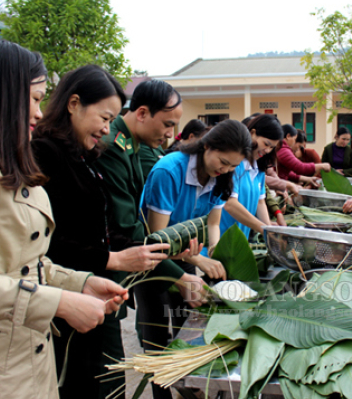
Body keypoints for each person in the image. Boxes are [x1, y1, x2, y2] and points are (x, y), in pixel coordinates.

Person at [0, 40, 129, 399]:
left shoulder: (1, 159)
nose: (38, 112)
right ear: (3, 93)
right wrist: (58, 303)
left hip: (23, 353)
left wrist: (78, 283)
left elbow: (23, 262)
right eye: (33, 99)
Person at [31, 65, 195, 398]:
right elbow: (53, 243)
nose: (106, 129)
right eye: (104, 118)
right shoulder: (47, 154)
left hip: (93, 289)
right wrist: (115, 259)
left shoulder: (88, 152)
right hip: (71, 294)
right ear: (74, 104)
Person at [93, 79, 206, 399]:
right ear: (142, 113)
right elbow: (130, 226)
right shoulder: (114, 148)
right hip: (102, 269)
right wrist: (180, 273)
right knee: (106, 376)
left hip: (122, 268)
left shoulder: (139, 147)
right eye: (168, 124)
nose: (172, 134)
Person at [142, 119, 252, 253]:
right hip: (155, 252)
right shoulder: (169, 171)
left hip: (185, 249)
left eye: (233, 166)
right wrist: (197, 260)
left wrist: (214, 250)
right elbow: (158, 235)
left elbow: (213, 223)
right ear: (207, 145)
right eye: (223, 162)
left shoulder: (220, 178)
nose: (225, 170)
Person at [220, 114, 283, 237]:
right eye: (266, 144)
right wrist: (264, 229)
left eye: (272, 147)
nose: (267, 151)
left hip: (241, 239)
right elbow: (230, 204)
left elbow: (260, 202)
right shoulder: (233, 164)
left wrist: (269, 231)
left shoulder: (258, 169)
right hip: (222, 238)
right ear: (252, 133)